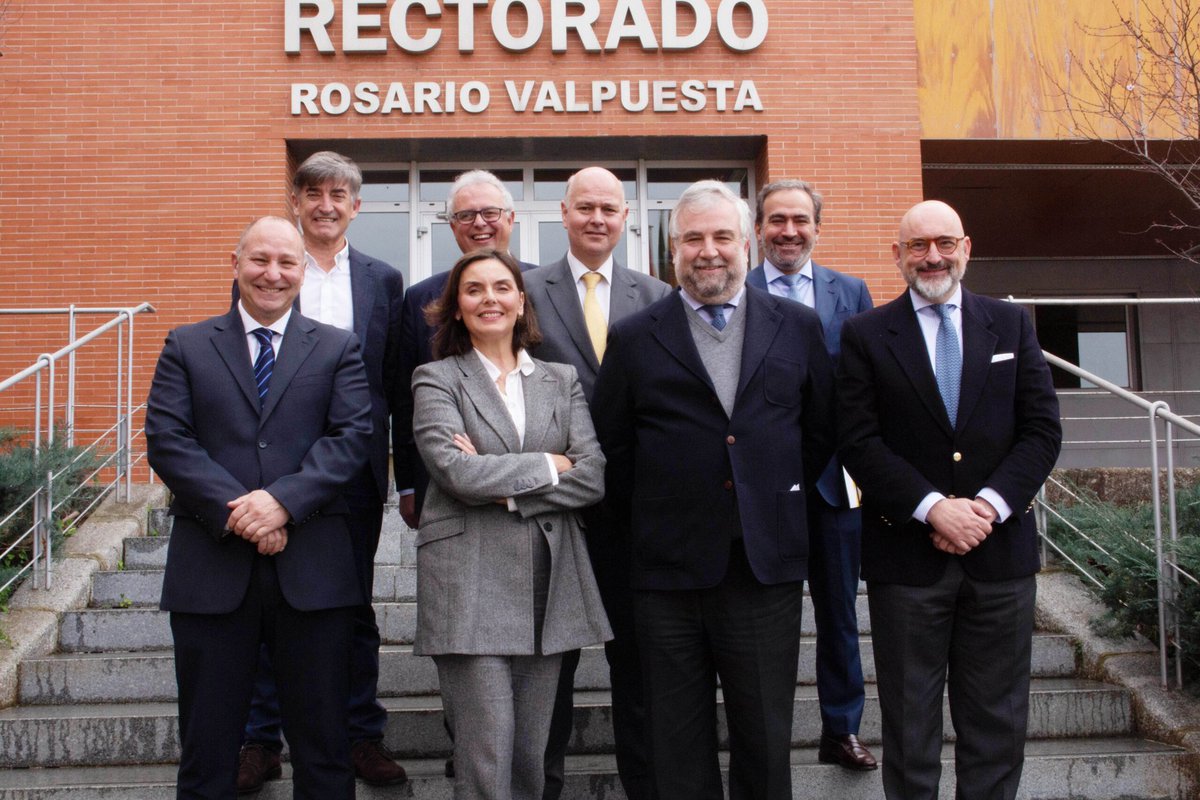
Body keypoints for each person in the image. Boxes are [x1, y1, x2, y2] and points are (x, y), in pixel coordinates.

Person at [591, 180, 836, 800]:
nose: (709, 251)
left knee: (764, 739)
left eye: (722, 236)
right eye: (693, 238)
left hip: (763, 572)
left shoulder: (799, 327)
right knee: (676, 745)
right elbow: (612, 453)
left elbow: (819, 433)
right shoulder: (635, 335)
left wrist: (765, 500)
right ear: (671, 250)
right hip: (667, 577)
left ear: (748, 244)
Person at [837, 200, 1062, 799]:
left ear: (966, 247)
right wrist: (934, 507)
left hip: (1000, 557)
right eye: (917, 246)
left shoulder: (1011, 325)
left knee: (997, 724)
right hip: (907, 562)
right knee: (910, 730)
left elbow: (1041, 430)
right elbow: (858, 440)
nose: (931, 256)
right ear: (898, 256)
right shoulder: (865, 335)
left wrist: (985, 507)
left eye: (943, 243)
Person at [146, 216, 373, 799]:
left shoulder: (336, 346)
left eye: (287, 263)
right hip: (212, 571)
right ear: (236, 263)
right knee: (207, 748)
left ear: (303, 271)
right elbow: (169, 440)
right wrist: (243, 514)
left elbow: (351, 437)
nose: (273, 274)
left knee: (324, 749)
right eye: (260, 260)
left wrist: (282, 503)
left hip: (313, 572)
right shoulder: (187, 344)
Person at [234, 152, 407, 792]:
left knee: (351, 607)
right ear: (297, 202)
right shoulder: (271, 270)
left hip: (354, 472)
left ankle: (360, 735)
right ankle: (260, 740)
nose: (326, 205)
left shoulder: (382, 280)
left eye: (339, 194)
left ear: (356, 206)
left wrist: (406, 477)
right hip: (271, 474)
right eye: (313, 193)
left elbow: (394, 382)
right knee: (263, 605)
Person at [412, 248, 612, 800]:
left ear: (521, 300)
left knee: (530, 753)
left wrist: (504, 489)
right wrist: (552, 464)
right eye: (474, 290)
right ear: (456, 308)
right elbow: (455, 472)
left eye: (502, 287)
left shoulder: (560, 378)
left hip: (549, 578)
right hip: (468, 577)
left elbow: (593, 475)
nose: (490, 299)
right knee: (486, 751)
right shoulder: (436, 378)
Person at [523, 166, 671, 800]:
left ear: (626, 216)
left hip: (637, 513)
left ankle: (646, 786)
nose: (597, 219)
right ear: (563, 212)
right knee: (548, 671)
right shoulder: (526, 290)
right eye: (585, 207)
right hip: (551, 509)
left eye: (609, 208)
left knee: (636, 666)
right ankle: (540, 785)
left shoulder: (659, 294)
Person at [745, 179, 877, 771]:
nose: (788, 231)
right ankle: (757, 732)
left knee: (839, 614)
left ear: (817, 229)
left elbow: (869, 388)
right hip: (758, 485)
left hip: (832, 483)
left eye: (800, 220)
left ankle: (841, 729)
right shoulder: (736, 290)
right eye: (776, 220)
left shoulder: (851, 293)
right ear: (759, 229)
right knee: (754, 620)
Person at [396, 170, 537, 532]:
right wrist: (408, 484)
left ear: (511, 218)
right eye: (465, 216)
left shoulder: (544, 287)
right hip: (447, 485)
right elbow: (403, 395)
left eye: (490, 213)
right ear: (451, 225)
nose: (479, 224)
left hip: (536, 486)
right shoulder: (420, 298)